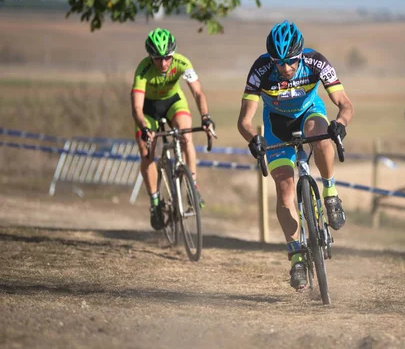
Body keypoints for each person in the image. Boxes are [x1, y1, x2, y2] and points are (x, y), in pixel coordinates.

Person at [237, 20, 354, 290]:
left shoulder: (316, 62)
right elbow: (244, 120)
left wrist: (341, 123)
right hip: (277, 125)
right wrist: (253, 138)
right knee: (285, 189)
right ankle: (297, 257)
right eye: (279, 62)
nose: (286, 68)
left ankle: (330, 193)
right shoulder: (261, 70)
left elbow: (345, 104)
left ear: (300, 55)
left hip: (308, 113)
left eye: (291, 61)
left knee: (321, 135)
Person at [131, 28, 215, 231]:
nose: (163, 63)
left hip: (173, 102)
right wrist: (144, 128)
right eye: (158, 59)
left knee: (186, 135)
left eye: (167, 58)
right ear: (150, 57)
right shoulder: (142, 70)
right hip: (148, 109)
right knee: (146, 153)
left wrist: (206, 117)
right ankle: (155, 202)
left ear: (173, 54)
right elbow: (137, 108)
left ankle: (192, 187)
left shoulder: (182, 63)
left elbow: (198, 93)